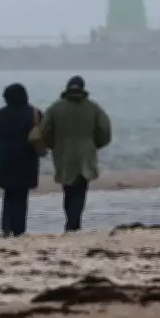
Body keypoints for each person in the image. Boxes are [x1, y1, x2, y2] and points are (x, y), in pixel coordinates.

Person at [40, 75, 111, 233]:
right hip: (86, 154)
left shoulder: (55, 108)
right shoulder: (93, 108)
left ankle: (71, 222)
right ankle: (74, 222)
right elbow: (105, 131)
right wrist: (94, 144)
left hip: (63, 153)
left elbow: (43, 131)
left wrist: (53, 144)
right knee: (80, 189)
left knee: (68, 189)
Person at [0, 83, 43, 237]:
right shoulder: (35, 113)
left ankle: (6, 227)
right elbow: (43, 132)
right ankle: (19, 229)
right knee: (22, 196)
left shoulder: (1, 113)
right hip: (27, 159)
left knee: (8, 194)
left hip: (6, 158)